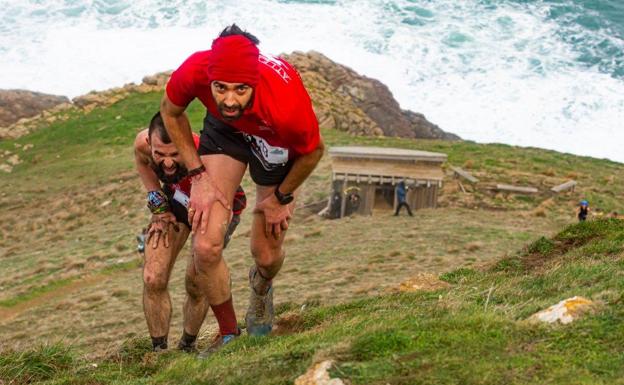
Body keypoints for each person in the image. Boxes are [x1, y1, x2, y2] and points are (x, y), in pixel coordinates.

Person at [160, 24, 324, 351]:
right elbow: (170, 111)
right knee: (205, 246)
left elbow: (314, 152)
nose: (230, 99)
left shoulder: (286, 107)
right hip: (225, 132)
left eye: (240, 89)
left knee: (266, 254)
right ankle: (229, 333)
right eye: (220, 88)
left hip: (272, 137)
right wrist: (200, 176)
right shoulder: (195, 69)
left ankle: (261, 288)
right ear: (210, 78)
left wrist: (281, 197)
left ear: (255, 83)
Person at [134, 111, 247, 352]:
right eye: (159, 154)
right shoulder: (143, 145)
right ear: (150, 144)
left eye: (175, 154)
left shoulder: (207, 157)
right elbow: (141, 160)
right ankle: (160, 353)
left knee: (196, 283)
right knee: (153, 276)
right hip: (176, 200)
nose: (166, 163)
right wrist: (158, 204)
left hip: (214, 205)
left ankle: (187, 345)